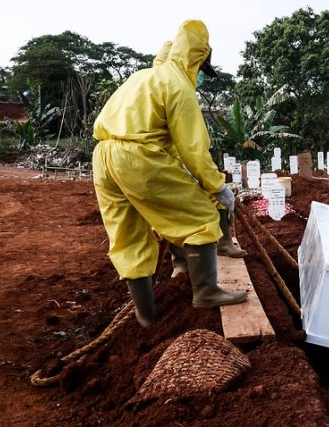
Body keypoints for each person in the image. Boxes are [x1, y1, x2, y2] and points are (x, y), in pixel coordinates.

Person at [92, 20, 247, 328]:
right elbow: (193, 148)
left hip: (103, 157)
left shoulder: (143, 77)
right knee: (200, 216)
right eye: (202, 68)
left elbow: (165, 141)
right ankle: (206, 291)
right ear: (196, 59)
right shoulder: (179, 86)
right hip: (138, 158)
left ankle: (147, 317)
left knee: (128, 236)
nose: (202, 76)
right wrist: (217, 187)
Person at [150, 41, 247, 280]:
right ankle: (182, 263)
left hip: (180, 159)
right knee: (178, 212)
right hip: (162, 162)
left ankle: (224, 243)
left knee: (215, 196)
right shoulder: (166, 85)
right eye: (201, 71)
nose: (201, 77)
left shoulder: (178, 85)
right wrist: (189, 168)